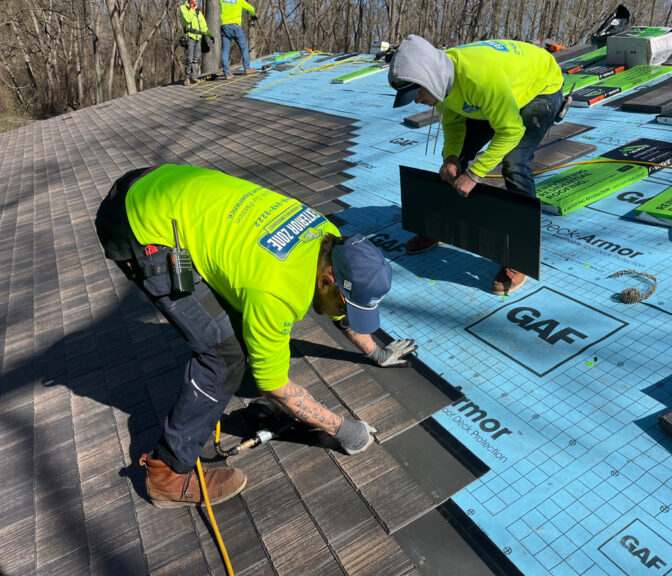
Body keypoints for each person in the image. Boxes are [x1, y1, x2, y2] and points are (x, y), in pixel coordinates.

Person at [95, 164, 417, 508]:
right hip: (139, 223)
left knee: (240, 333)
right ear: (327, 281)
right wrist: (344, 431)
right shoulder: (276, 293)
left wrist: (376, 353)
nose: (345, 314)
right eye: (347, 305)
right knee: (223, 356)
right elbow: (273, 382)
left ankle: (233, 393)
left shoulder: (327, 236)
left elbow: (339, 305)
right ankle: (168, 472)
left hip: (163, 183)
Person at [388, 35, 563, 295]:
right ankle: (441, 226)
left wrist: (474, 174)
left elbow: (511, 131)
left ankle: (520, 255)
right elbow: (454, 122)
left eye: (417, 93)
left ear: (429, 79)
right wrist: (450, 158)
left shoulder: (478, 79)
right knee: (458, 161)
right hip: (496, 92)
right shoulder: (443, 78)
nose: (416, 100)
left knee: (515, 163)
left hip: (540, 87)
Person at [220, 0, 257, 79]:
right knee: (244, 48)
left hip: (224, 27)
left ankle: (227, 73)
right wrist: (253, 15)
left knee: (225, 51)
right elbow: (251, 8)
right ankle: (247, 68)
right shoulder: (240, 1)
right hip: (235, 27)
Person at [180, 0, 213, 86]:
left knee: (196, 58)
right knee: (189, 59)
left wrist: (209, 34)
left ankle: (194, 77)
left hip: (199, 37)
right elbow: (187, 19)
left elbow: (203, 25)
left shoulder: (197, 10)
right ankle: (187, 78)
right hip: (190, 37)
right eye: (194, 0)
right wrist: (191, 8)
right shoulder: (184, 8)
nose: (196, 1)